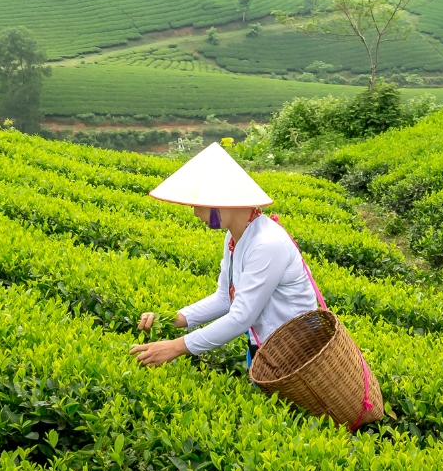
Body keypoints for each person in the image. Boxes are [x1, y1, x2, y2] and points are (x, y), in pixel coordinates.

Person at [131, 142, 321, 368]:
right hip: (266, 348)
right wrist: (172, 319)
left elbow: (241, 317)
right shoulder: (235, 237)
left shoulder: (267, 243)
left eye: (199, 204)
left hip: (298, 355)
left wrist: (176, 347)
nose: (195, 213)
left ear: (223, 202)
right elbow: (224, 298)